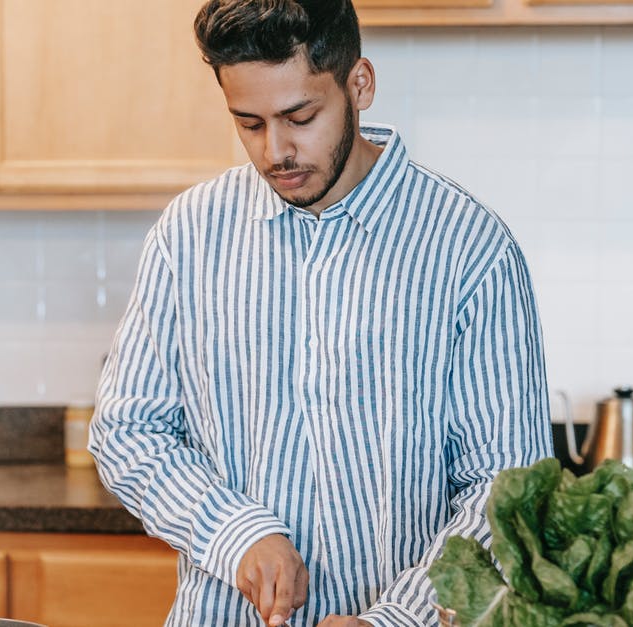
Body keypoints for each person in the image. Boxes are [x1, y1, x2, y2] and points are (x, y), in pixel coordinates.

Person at [88, 0, 552, 625]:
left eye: (299, 117)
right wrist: (235, 534)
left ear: (358, 84)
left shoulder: (471, 249)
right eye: (249, 124)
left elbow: (508, 488)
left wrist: (395, 619)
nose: (276, 151)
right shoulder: (189, 234)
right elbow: (127, 431)